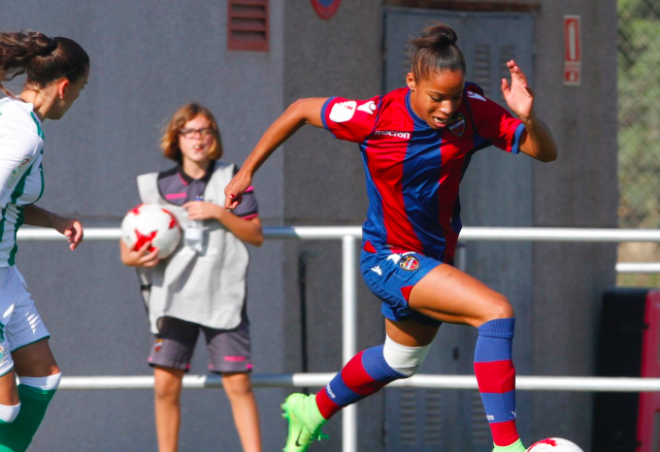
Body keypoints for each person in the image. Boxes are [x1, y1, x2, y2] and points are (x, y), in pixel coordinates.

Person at [225, 23, 557, 452]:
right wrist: (248, 171)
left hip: (431, 261)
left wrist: (527, 117)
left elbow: (545, 152)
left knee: (400, 360)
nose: (447, 107)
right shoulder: (375, 116)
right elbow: (301, 109)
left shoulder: (473, 109)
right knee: (495, 312)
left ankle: (312, 409)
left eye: (454, 96)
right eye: (437, 97)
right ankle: (508, 446)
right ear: (411, 82)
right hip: (387, 258)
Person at [120, 103, 264, 452]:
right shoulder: (155, 186)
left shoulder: (235, 178)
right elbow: (128, 250)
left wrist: (218, 212)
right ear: (176, 138)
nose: (198, 138)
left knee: (238, 384)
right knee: (165, 386)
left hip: (222, 296)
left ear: (214, 137)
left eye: (205, 130)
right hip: (172, 300)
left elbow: (256, 235)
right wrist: (133, 256)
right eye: (190, 132)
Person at [0, 31, 89, 451]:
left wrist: (53, 219)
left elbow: (7, 201)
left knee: (43, 376)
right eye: (82, 91)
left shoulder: (17, 117)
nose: (76, 102)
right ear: (65, 86)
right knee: (5, 410)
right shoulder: (23, 136)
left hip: (5, 275)